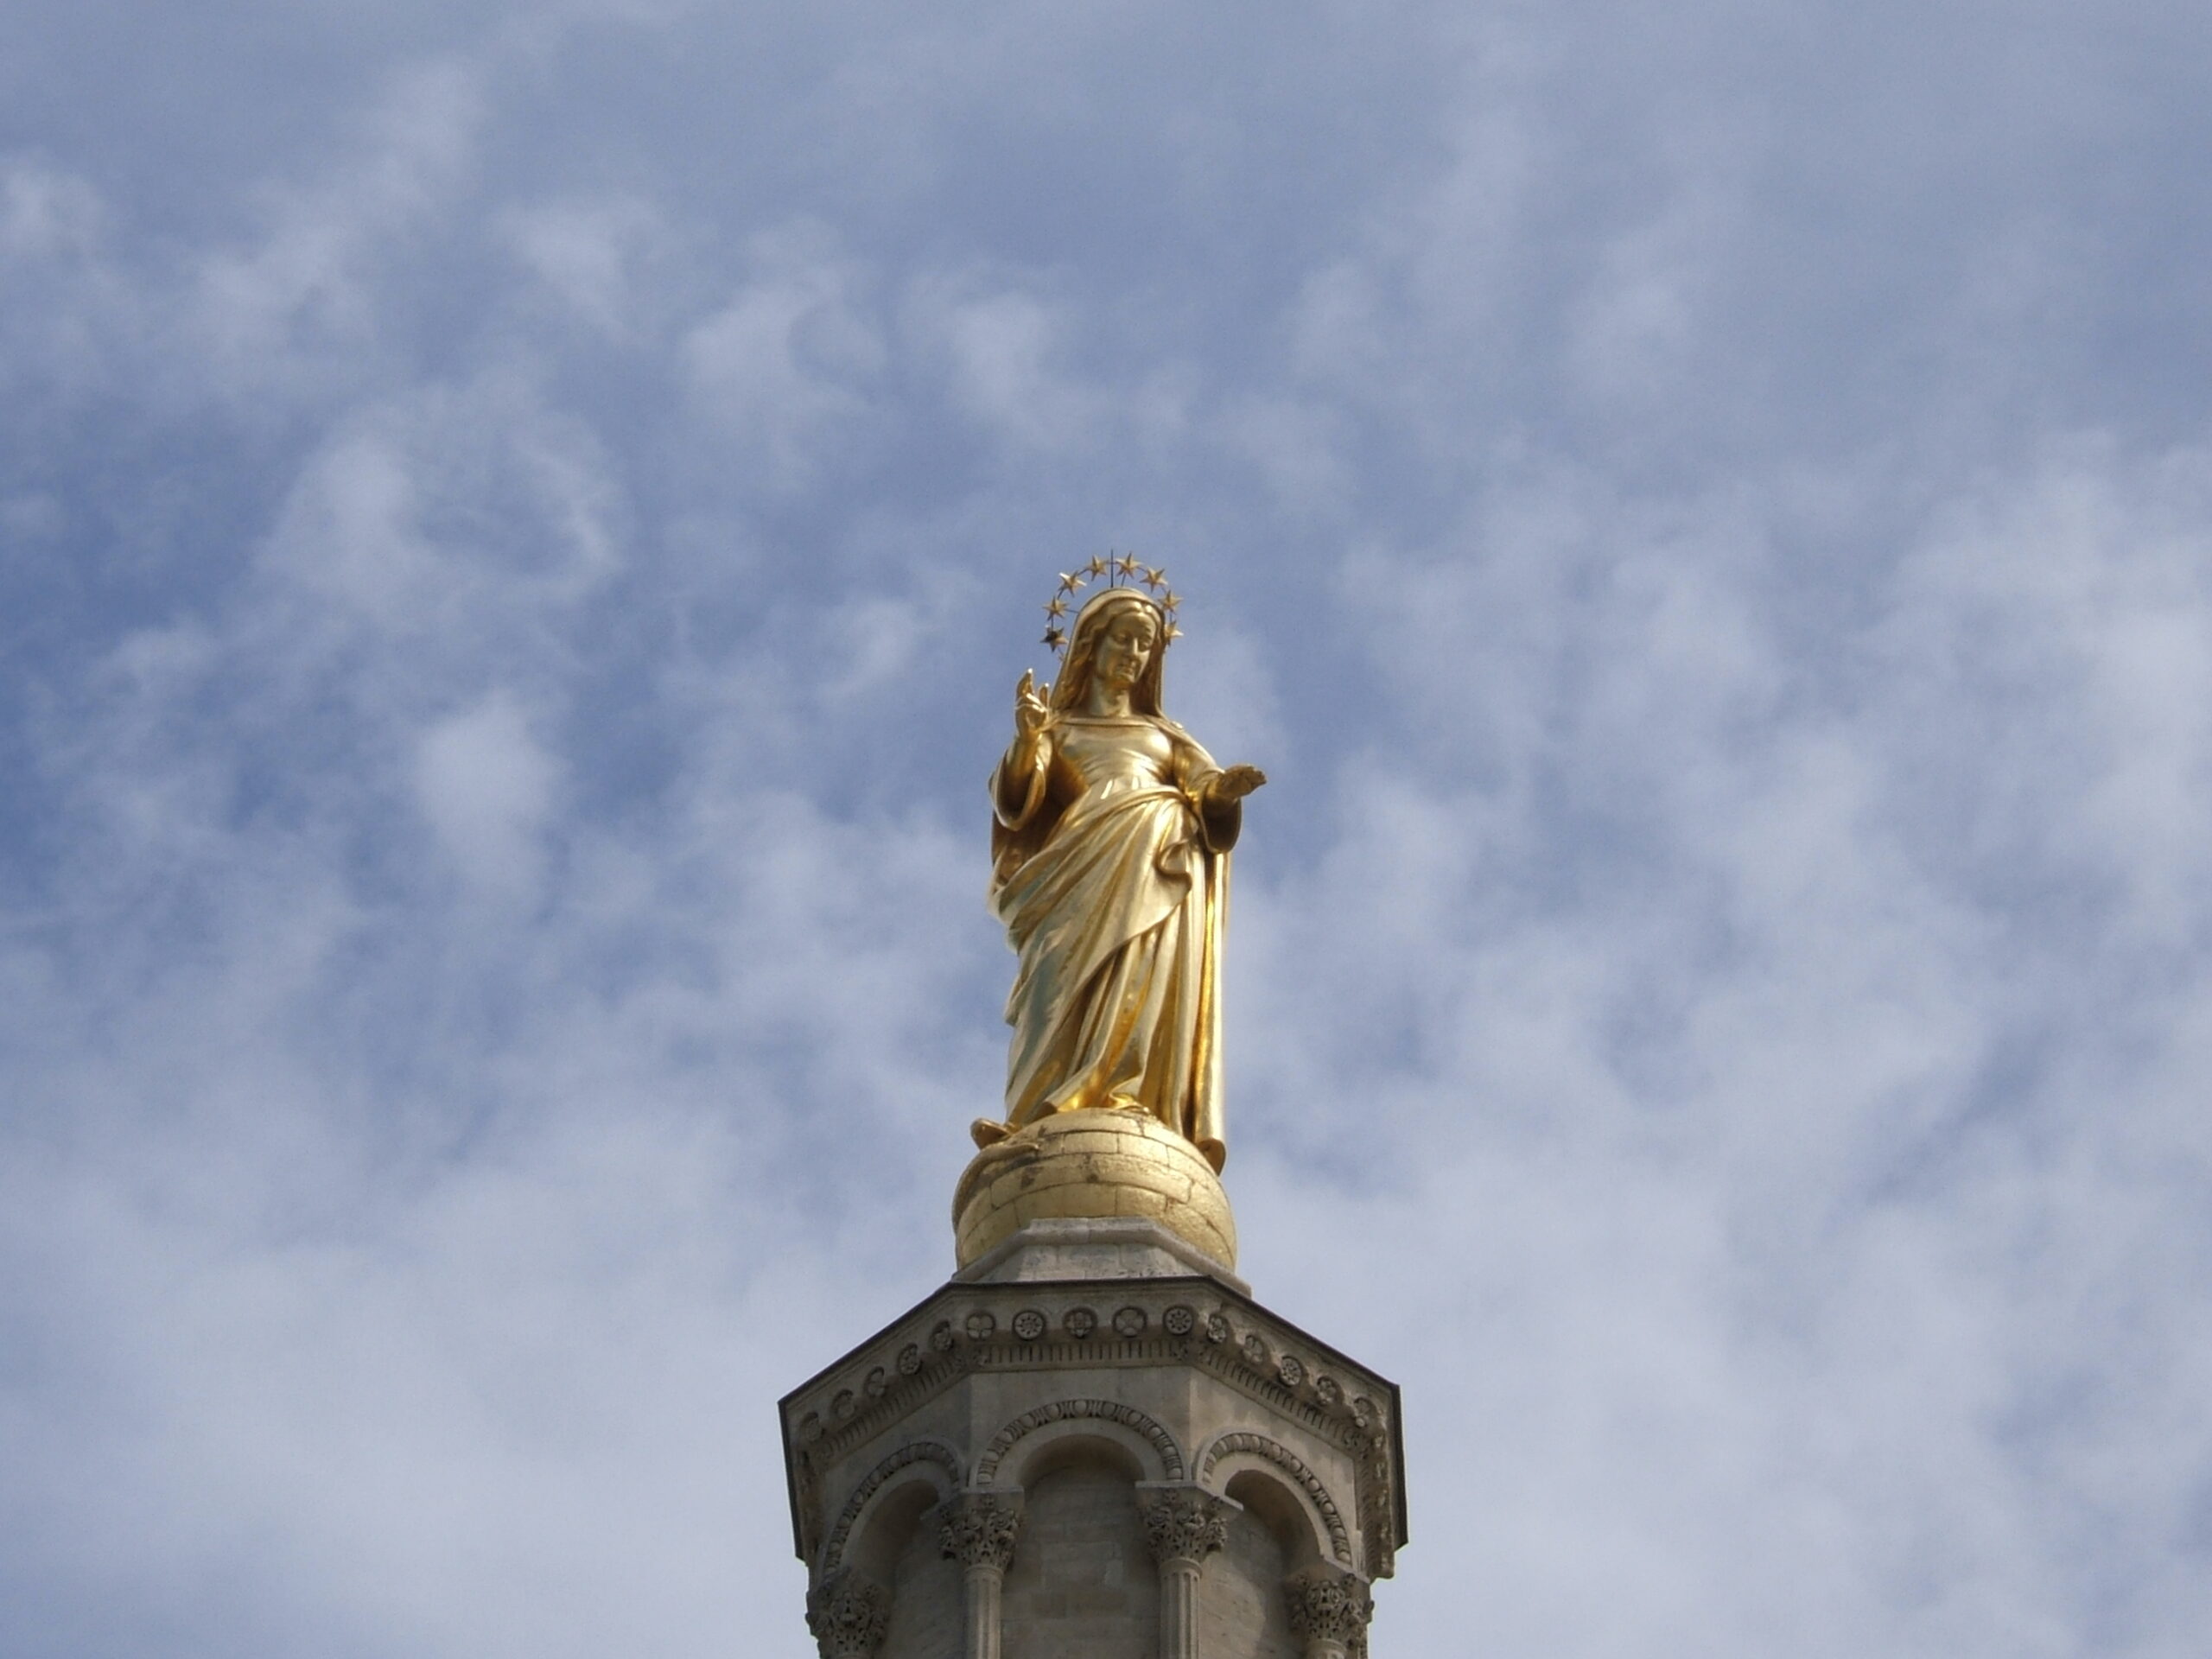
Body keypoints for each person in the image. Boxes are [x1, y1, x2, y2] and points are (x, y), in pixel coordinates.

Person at [977, 585, 1265, 1172]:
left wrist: (1223, 791)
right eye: (1124, 639)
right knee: (1053, 985)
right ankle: (1033, 1112)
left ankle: (1129, 1092)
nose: (1135, 653)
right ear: (1092, 646)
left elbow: (1203, 785)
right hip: (1075, 872)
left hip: (1157, 862)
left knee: (1142, 974)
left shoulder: (1166, 738)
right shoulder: (1060, 732)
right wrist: (1028, 739)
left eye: (1146, 643)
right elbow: (1015, 807)